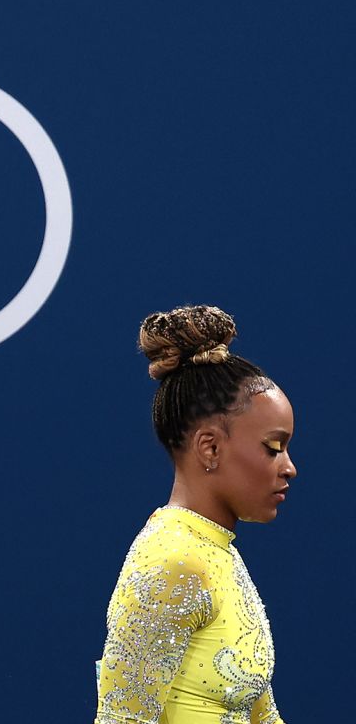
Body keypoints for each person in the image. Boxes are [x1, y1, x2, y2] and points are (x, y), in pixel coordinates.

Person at [94, 306, 295, 724]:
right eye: (273, 448)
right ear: (210, 448)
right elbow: (120, 719)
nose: (288, 466)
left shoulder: (217, 552)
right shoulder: (173, 561)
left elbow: (264, 713)